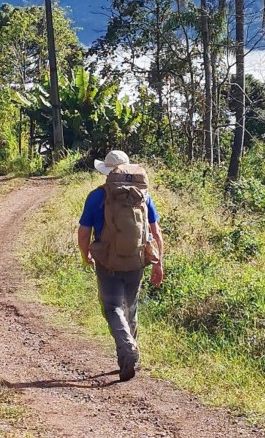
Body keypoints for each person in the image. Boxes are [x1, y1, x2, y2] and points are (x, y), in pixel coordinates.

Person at [77, 150, 164, 381]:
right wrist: (158, 263)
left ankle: (128, 348)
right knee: (130, 307)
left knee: (113, 307)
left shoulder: (97, 196)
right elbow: (156, 232)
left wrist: (85, 254)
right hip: (137, 261)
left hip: (108, 261)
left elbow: (84, 232)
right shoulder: (143, 196)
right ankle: (127, 361)